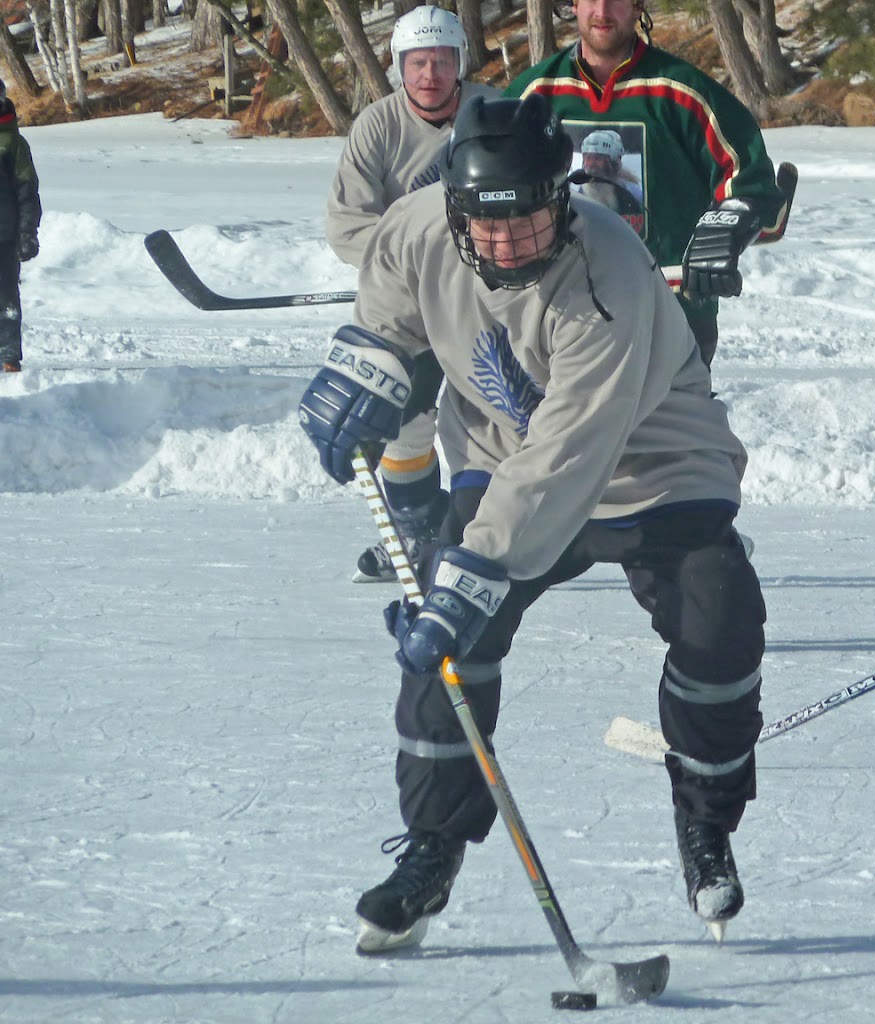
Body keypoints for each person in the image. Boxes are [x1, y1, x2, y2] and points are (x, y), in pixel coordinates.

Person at [297, 95, 767, 952]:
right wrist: (366, 373)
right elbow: (389, 314)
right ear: (453, 209)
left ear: (563, 197)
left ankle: (707, 827)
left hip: (653, 457)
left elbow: (571, 453)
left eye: (531, 222)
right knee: (453, 648)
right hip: (501, 448)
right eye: (487, 228)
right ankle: (433, 847)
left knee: (720, 618)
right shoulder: (416, 229)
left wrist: (474, 570)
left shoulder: (609, 272)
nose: (508, 245)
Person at [505, 0, 785, 366]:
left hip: (671, 311)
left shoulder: (683, 92)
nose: (602, 11)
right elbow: (494, 185)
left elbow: (747, 177)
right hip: (564, 308)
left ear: (638, 7)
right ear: (573, 5)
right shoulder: (533, 94)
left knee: (676, 432)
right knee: (569, 431)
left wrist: (730, 226)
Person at [326, 5, 496, 583]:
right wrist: (419, 261)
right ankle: (421, 531)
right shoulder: (377, 126)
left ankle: (500, 532)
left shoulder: (494, 112)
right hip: (407, 303)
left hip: (489, 300)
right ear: (400, 68)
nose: (430, 74)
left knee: (500, 415)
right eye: (418, 62)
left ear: (460, 64)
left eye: (442, 61)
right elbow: (348, 225)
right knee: (405, 421)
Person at [0, 80, 42, 374]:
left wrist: (27, 232)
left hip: (5, 235)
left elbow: (27, 192)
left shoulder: (13, 143)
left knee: (5, 295)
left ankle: (8, 354)